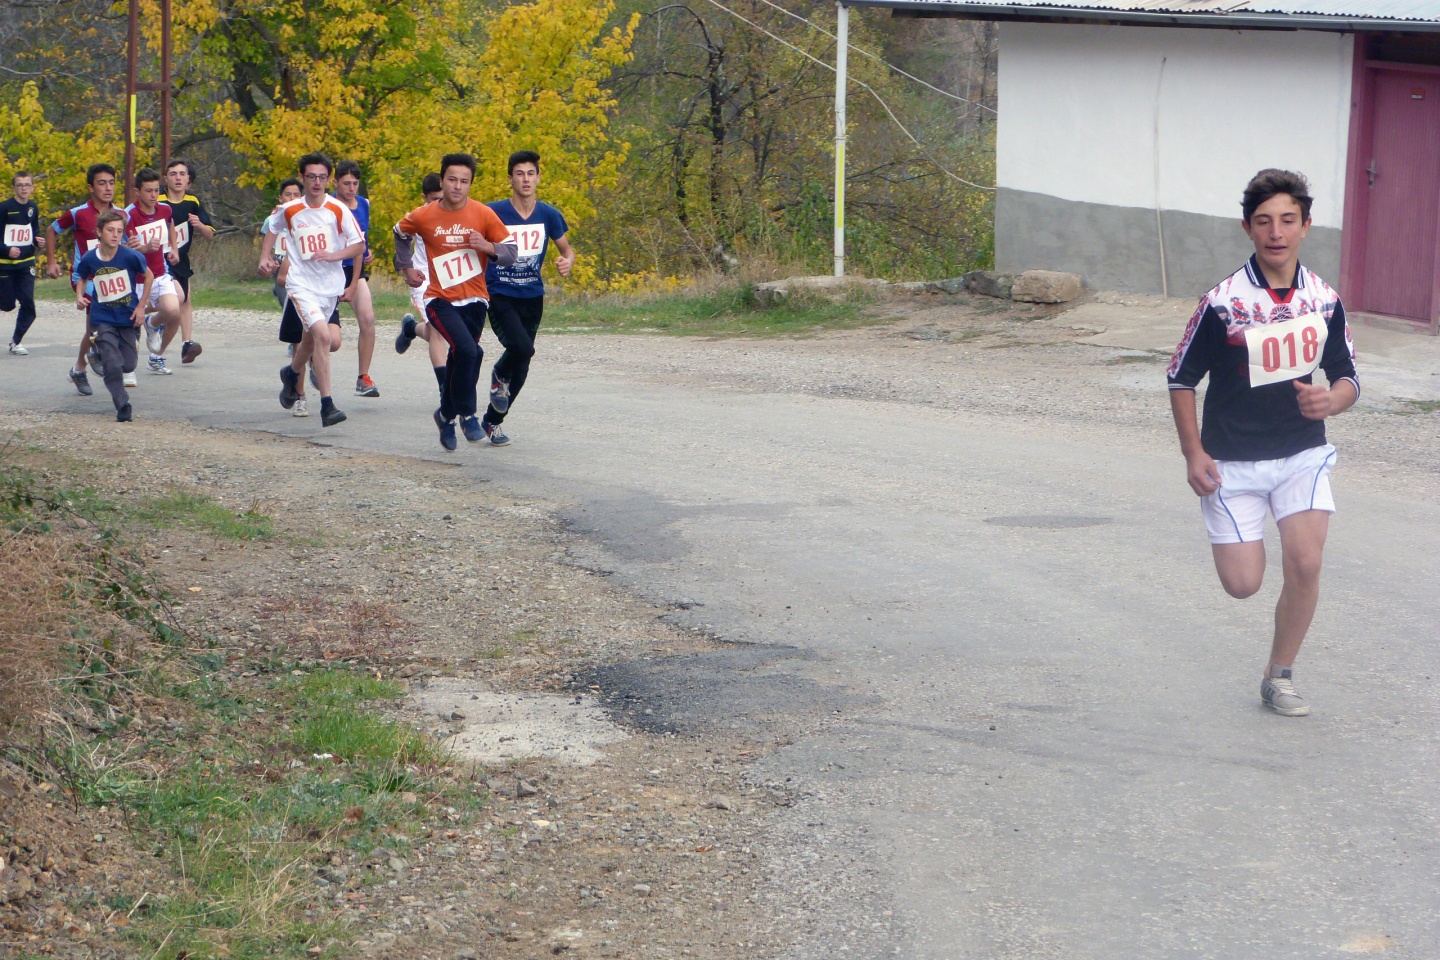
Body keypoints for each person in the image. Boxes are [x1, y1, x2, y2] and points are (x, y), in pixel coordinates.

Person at [1167, 168, 1359, 718]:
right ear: (1248, 229)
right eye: (1264, 222)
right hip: (1231, 462)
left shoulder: (1324, 299)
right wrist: (1193, 453)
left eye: (1288, 221)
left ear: (1306, 226)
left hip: (1302, 453)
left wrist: (1332, 401)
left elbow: (1348, 377)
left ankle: (1280, 675)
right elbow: (1181, 378)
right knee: (1243, 585)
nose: (1277, 232)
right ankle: (1239, 544)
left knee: (1305, 561)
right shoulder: (1223, 301)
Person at [392, 152, 516, 450]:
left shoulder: (483, 213)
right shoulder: (424, 215)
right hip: (439, 298)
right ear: (442, 180)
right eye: (452, 180)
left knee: (464, 355)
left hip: (474, 299)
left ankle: (445, 415)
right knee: (467, 350)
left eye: (464, 181)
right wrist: (407, 267)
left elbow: (511, 253)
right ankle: (468, 414)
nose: (457, 186)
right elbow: (399, 233)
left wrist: (486, 246)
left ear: (470, 184)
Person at [259, 153, 363, 427]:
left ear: (328, 180)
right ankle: (327, 405)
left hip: (329, 286)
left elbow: (359, 246)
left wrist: (333, 255)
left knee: (308, 341)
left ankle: (291, 374)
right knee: (323, 337)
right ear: (303, 178)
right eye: (311, 177)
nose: (316, 182)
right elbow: (272, 226)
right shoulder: (291, 209)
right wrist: (264, 255)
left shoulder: (338, 209)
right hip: (300, 283)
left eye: (321, 177)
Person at [479, 149, 574, 445]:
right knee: (522, 349)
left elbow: (566, 249)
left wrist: (567, 261)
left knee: (523, 362)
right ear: (510, 179)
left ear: (538, 178)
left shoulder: (548, 214)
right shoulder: (493, 212)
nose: (526, 179)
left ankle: (492, 422)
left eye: (531, 173)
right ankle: (498, 373)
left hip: (532, 296)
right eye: (519, 174)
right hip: (500, 292)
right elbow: (472, 240)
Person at [47, 163, 122, 396]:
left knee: (94, 326)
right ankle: (97, 352)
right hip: (84, 277)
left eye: (111, 183)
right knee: (98, 315)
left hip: (111, 277)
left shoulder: (120, 214)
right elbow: (52, 230)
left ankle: (79, 368)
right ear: (91, 187)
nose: (107, 188)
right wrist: (51, 261)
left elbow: (128, 241)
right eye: (101, 183)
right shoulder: (78, 213)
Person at [74, 209, 152, 421]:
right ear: (99, 232)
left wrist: (141, 307)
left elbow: (148, 276)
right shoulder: (91, 258)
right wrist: (80, 296)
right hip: (103, 318)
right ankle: (122, 405)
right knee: (113, 364)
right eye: (110, 230)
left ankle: (96, 354)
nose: (115, 235)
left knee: (128, 364)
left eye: (119, 231)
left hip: (127, 316)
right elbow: (81, 277)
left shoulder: (130, 256)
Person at [259, 178, 314, 416]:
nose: (291, 198)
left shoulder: (310, 218)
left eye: (295, 194)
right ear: (280, 198)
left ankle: (305, 361)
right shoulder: (274, 220)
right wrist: (269, 262)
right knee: (299, 334)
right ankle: (300, 394)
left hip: (311, 279)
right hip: (285, 279)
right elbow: (267, 250)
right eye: (287, 195)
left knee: (318, 336)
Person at [123, 167, 182, 375]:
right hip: (137, 279)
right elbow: (127, 248)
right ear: (137, 192)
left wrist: (173, 248)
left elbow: (171, 224)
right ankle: (125, 364)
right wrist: (145, 248)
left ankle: (152, 324)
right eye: (148, 191)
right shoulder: (129, 215)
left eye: (156, 190)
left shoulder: (164, 209)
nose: (153, 195)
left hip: (159, 274)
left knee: (174, 310)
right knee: (129, 319)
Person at [331, 160, 380, 397]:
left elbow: (362, 235)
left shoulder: (363, 204)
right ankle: (307, 360)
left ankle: (364, 377)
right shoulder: (328, 205)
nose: (351, 188)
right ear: (336, 182)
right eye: (346, 183)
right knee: (329, 337)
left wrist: (367, 251)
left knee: (368, 319)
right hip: (330, 270)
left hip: (355, 268)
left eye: (355, 184)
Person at [393, 173, 447, 380]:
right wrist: (407, 269)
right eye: (434, 199)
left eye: (442, 198)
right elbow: (400, 240)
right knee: (438, 330)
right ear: (424, 197)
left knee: (445, 331)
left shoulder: (456, 216)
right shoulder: (418, 217)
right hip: (423, 281)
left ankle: (411, 328)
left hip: (449, 280)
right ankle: (446, 387)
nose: (439, 203)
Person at [162, 159, 214, 364]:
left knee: (185, 300)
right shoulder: (158, 200)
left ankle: (187, 344)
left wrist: (199, 225)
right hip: (160, 258)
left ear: (189, 180)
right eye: (173, 174)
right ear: (166, 179)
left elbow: (210, 234)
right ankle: (153, 325)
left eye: (182, 174)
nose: (178, 178)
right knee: (174, 299)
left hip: (182, 258)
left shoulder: (193, 202)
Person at [1, 171, 40, 355]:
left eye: (27, 184)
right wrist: (6, 249)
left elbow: (34, 230)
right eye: (20, 185)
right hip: (5, 264)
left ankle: (16, 341)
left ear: (32, 187)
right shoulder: (5, 208)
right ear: (14, 188)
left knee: (28, 303)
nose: (24, 188)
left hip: (26, 263)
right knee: (7, 304)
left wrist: (38, 241)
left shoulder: (33, 207)